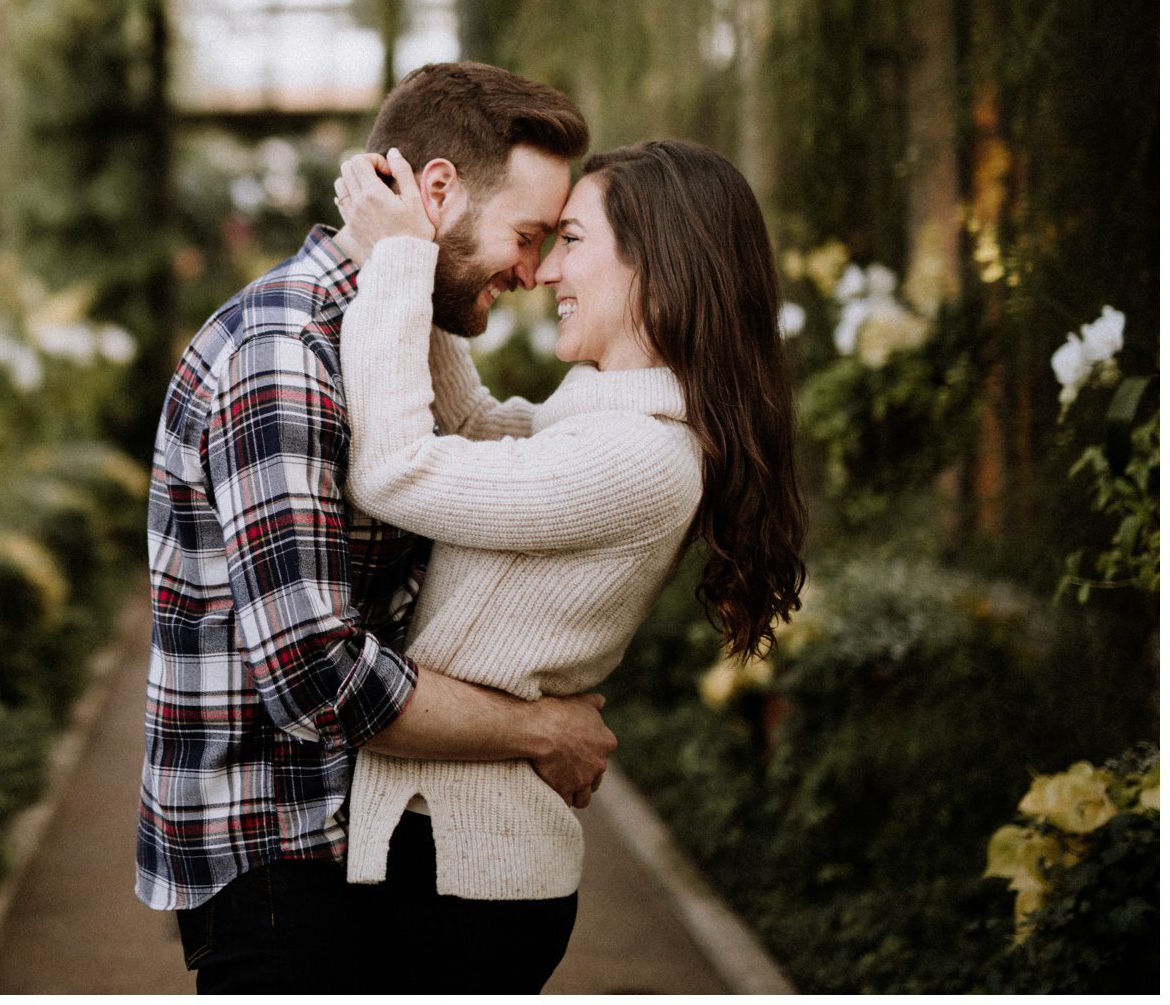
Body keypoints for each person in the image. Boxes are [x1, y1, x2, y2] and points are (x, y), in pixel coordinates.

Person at [135, 62, 619, 995]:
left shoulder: (381, 334)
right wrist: (537, 731)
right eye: (527, 236)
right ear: (437, 191)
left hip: (343, 840)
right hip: (275, 855)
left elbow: (489, 447)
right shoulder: (284, 355)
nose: (534, 271)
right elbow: (316, 679)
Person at [330, 137, 808, 993]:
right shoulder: (602, 413)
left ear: (660, 265)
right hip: (445, 855)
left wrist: (400, 259)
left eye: (574, 241)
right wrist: (424, 250)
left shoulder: (642, 457)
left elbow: (399, 471)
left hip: (465, 875)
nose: (546, 270)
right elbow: (471, 422)